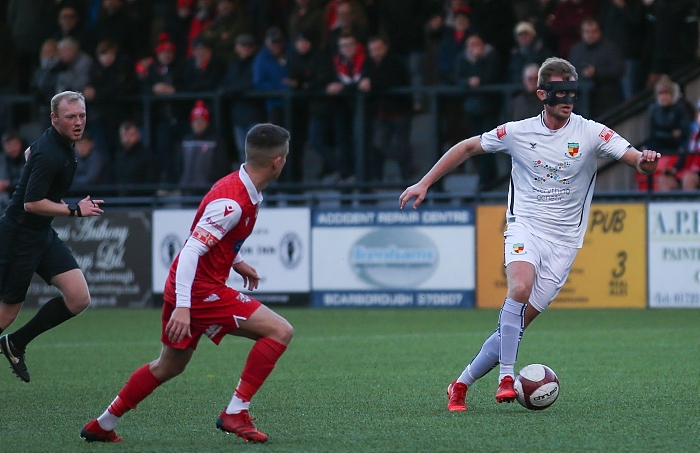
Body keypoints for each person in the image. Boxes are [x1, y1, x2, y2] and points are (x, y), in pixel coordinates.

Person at [399, 57, 660, 411]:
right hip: (525, 225)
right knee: (518, 288)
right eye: (559, 92)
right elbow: (466, 148)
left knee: (515, 326)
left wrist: (645, 161)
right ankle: (506, 377)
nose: (567, 99)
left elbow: (632, 159)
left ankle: (459, 385)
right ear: (542, 94)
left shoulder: (591, 132)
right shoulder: (518, 132)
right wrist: (425, 182)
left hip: (565, 242)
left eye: (572, 92)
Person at [80, 123, 294, 444]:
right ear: (277, 161)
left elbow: (206, 238)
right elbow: (192, 248)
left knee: (168, 366)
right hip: (198, 291)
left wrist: (237, 263)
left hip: (192, 288)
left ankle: (103, 423)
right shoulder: (233, 202)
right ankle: (236, 412)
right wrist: (184, 305)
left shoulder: (241, 188)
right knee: (280, 330)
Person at [0, 91, 105, 383]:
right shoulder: (51, 151)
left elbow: (30, 154)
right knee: (6, 314)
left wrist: (31, 160)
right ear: (54, 118)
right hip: (18, 236)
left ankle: (15, 343)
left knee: (78, 297)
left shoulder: (57, 143)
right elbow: (31, 203)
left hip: (40, 233)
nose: (78, 122)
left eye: (82, 115)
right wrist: (74, 210)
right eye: (70, 116)